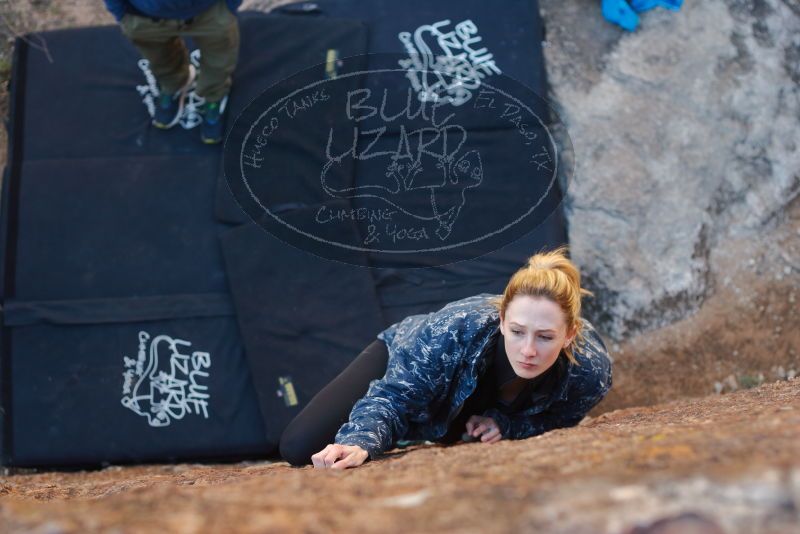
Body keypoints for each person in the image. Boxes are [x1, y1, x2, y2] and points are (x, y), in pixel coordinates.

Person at [279, 246, 613, 469]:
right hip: (406, 358)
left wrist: (508, 424)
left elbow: (560, 420)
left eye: (545, 337)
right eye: (517, 331)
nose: (528, 350)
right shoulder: (454, 329)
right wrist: (359, 441)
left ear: (569, 334)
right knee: (298, 447)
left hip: (464, 411)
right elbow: (395, 396)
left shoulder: (589, 372)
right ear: (501, 320)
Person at [104, 0, 241, 144]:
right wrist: (120, 13)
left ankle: (214, 94)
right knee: (160, 59)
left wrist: (229, 7)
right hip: (143, 16)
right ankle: (174, 83)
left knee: (219, 60)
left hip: (210, 10)